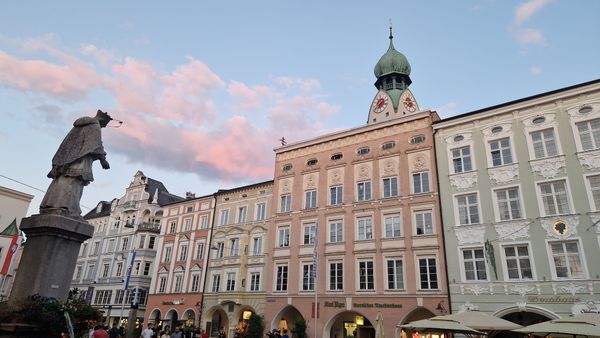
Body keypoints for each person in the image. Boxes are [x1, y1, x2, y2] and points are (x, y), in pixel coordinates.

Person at [39, 109, 114, 218]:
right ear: (101, 120)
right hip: (81, 159)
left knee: (60, 181)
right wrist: (103, 160)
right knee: (74, 183)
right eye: (104, 125)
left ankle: (50, 204)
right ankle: (67, 207)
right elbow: (95, 144)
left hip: (67, 158)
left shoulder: (78, 126)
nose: (103, 127)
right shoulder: (95, 125)